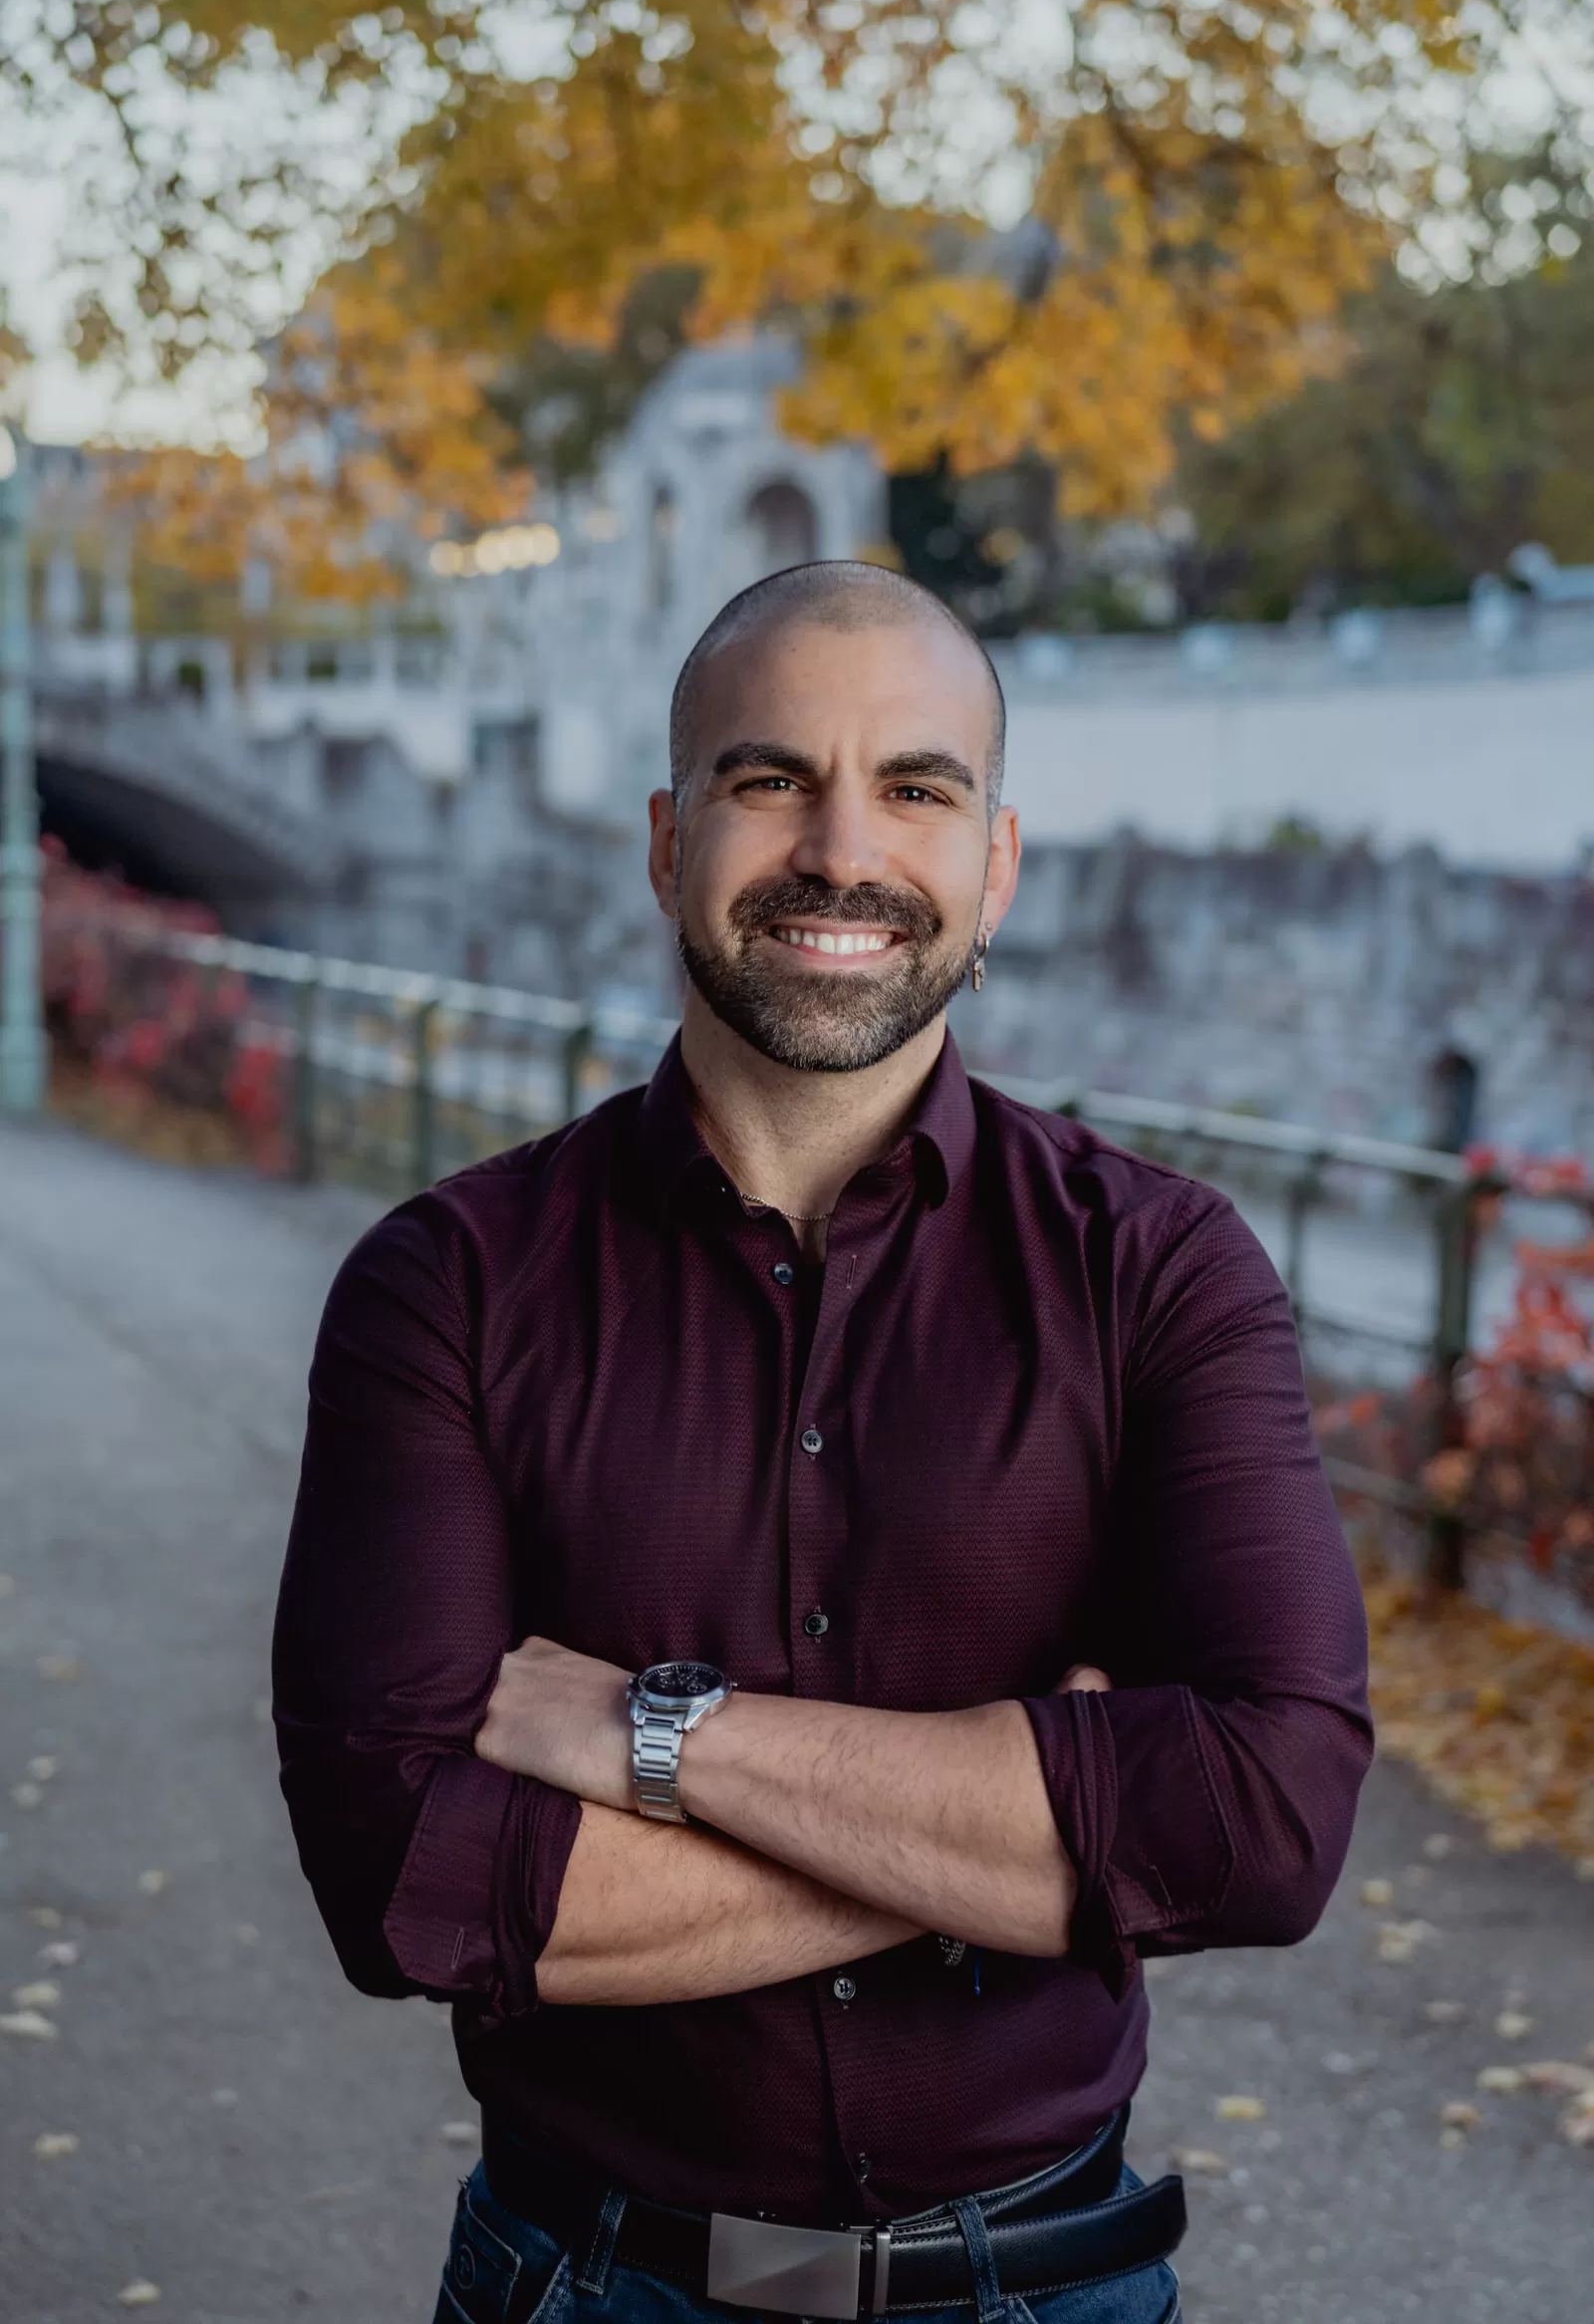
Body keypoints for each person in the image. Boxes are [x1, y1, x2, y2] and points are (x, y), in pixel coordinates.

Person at [271, 561, 1372, 2324]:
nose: (842, 851)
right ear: (666, 839)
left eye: (919, 788)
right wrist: (1032, 1829)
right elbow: (404, 1885)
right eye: (768, 777)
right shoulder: (447, 1284)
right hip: (585, 2285)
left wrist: (650, 1736)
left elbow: (1265, 1820)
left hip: (1049, 2287)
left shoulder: (1159, 1269)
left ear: (995, 860)